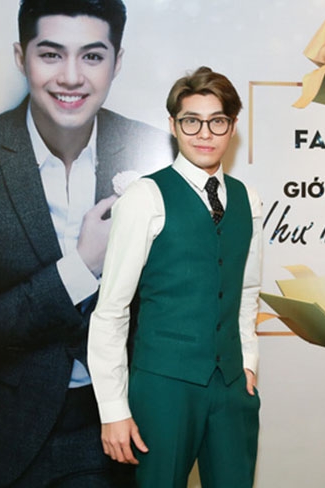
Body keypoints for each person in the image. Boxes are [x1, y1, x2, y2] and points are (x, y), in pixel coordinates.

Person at [0, 0, 175, 486]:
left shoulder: (158, 153)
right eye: (50, 54)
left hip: (124, 430)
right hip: (5, 436)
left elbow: (174, 306)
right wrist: (82, 266)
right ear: (20, 57)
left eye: (92, 56)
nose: (71, 77)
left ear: (117, 62)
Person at [88, 66, 262, 488]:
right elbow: (111, 310)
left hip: (231, 388)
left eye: (217, 121)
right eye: (191, 121)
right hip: (163, 389)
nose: (204, 133)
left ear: (232, 126)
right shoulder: (144, 197)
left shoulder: (248, 199)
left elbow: (246, 291)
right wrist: (113, 409)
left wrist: (247, 364)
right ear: (173, 125)